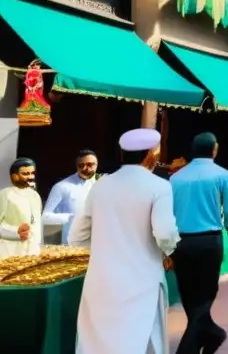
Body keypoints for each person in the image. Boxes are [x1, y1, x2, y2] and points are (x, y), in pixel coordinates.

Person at [71, 128, 180, 354]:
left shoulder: (100, 185)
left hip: (101, 281)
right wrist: (169, 252)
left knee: (98, 343)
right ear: (151, 155)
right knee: (146, 340)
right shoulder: (159, 186)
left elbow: (77, 236)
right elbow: (165, 234)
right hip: (144, 280)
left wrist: (105, 250)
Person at [169, 132, 228, 354]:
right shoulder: (223, 175)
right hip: (209, 241)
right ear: (214, 149)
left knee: (189, 295)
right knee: (206, 294)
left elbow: (168, 212)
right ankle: (202, 341)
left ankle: (212, 336)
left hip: (181, 243)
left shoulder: (175, 178)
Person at [42, 149, 99, 245]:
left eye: (90, 165)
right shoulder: (62, 186)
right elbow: (45, 217)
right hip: (71, 247)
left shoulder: (100, 185)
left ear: (97, 165)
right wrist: (70, 217)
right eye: (81, 165)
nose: (86, 168)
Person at [0, 157, 42, 258]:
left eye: (32, 173)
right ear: (15, 176)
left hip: (31, 253)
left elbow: (37, 224)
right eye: (25, 174)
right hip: (9, 253)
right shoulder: (5, 194)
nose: (30, 177)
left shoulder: (35, 196)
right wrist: (15, 233)